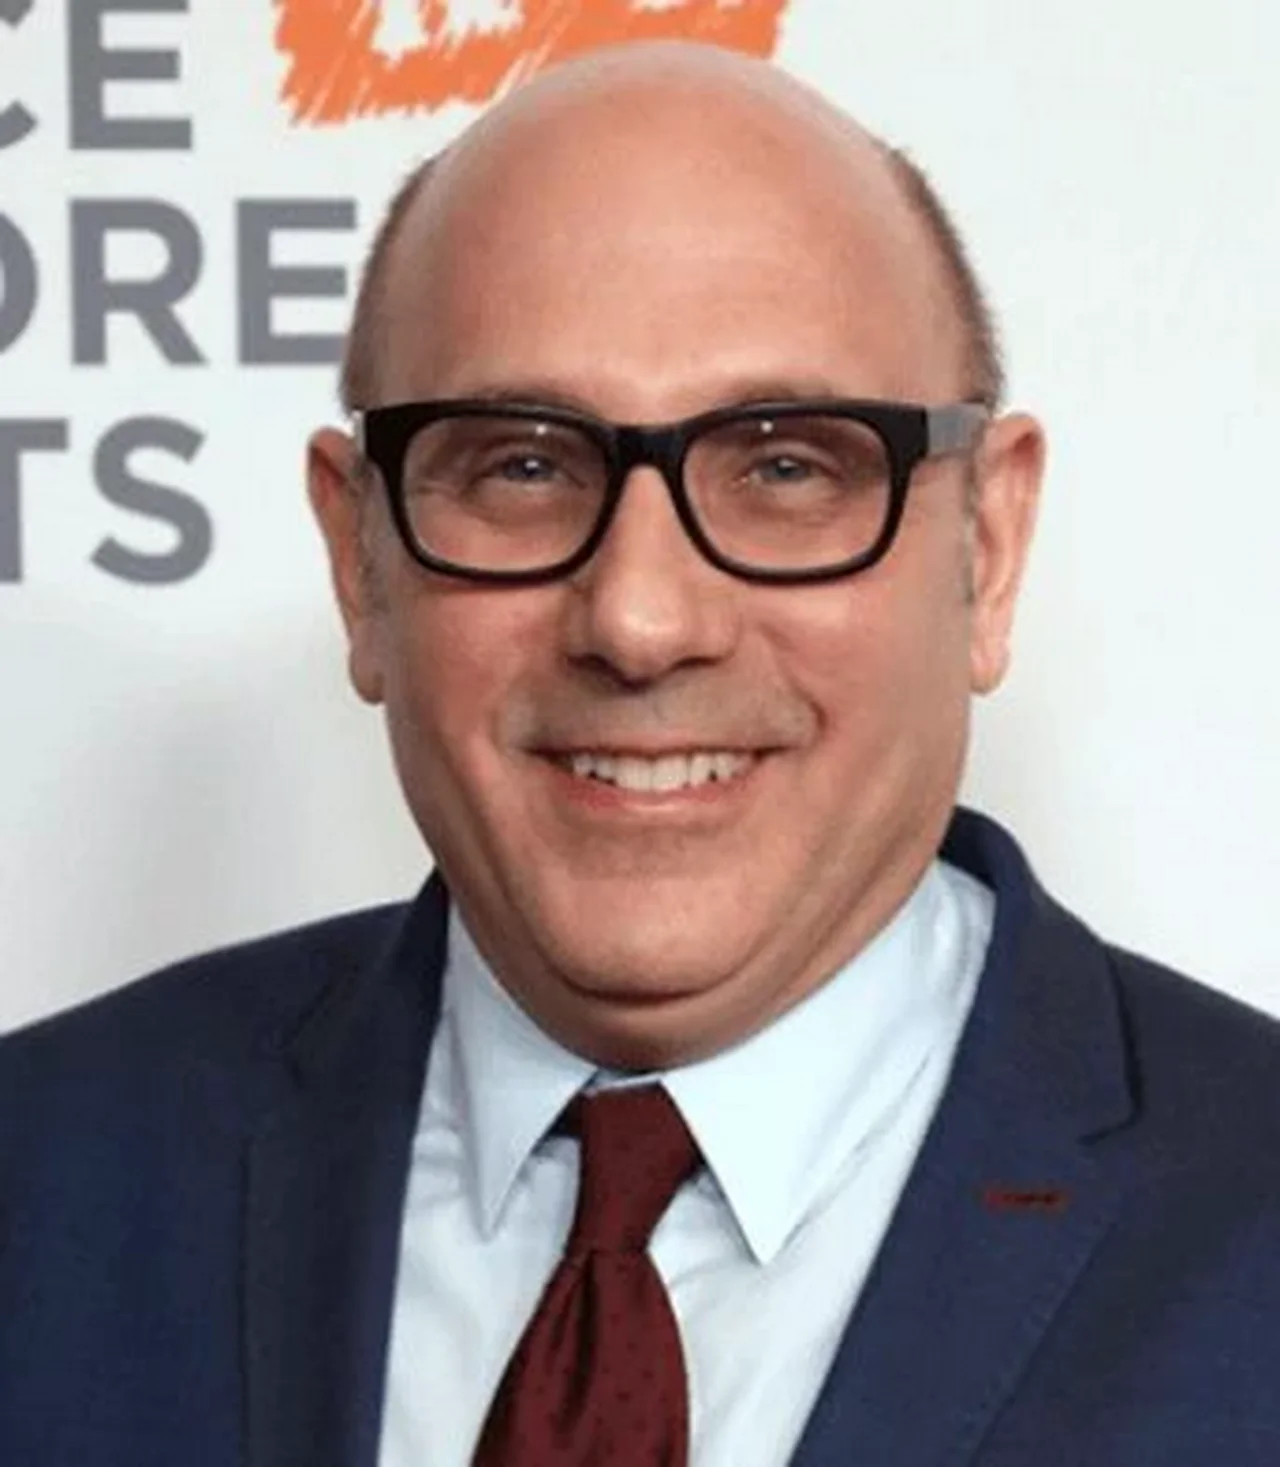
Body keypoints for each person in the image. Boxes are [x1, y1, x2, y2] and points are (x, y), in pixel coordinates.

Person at [2, 38, 1279, 1467]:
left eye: (786, 465)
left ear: (988, 547)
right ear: (360, 563)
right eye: (523, 465)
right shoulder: (38, 1179)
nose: (641, 619)